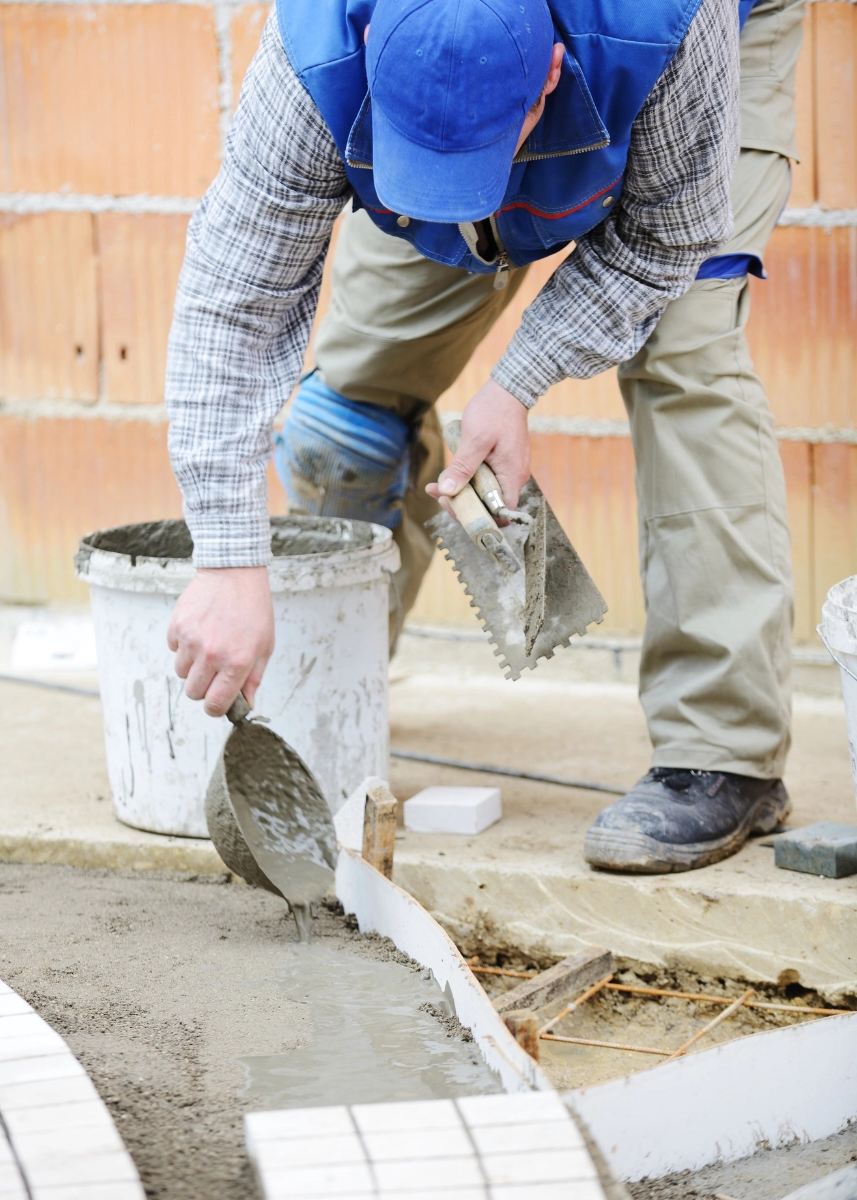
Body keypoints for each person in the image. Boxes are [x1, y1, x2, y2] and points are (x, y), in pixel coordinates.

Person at [165, 0, 804, 873]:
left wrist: (520, 379)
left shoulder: (668, 24)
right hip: (454, 76)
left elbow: (665, 242)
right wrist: (229, 559)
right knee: (347, 414)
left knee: (682, 350)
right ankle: (325, 703)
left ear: (547, 80)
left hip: (677, 51)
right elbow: (232, 304)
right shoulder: (313, 51)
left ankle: (722, 756)